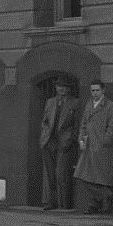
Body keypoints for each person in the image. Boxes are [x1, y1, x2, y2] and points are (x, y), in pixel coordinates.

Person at [74, 80, 113, 214]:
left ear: (103, 90)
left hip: (102, 148)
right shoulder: (89, 105)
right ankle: (101, 199)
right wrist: (81, 139)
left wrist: (104, 142)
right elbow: (83, 124)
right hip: (88, 146)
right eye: (92, 91)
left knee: (100, 177)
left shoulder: (110, 106)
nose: (94, 93)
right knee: (84, 175)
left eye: (97, 90)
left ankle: (97, 203)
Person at [39, 80, 79, 210]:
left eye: (65, 86)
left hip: (64, 141)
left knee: (61, 173)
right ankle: (52, 202)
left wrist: (71, 138)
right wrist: (44, 135)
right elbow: (44, 121)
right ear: (56, 87)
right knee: (50, 174)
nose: (62, 89)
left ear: (69, 89)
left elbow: (76, 124)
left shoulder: (74, 102)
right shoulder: (50, 102)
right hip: (49, 141)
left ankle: (65, 203)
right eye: (59, 86)